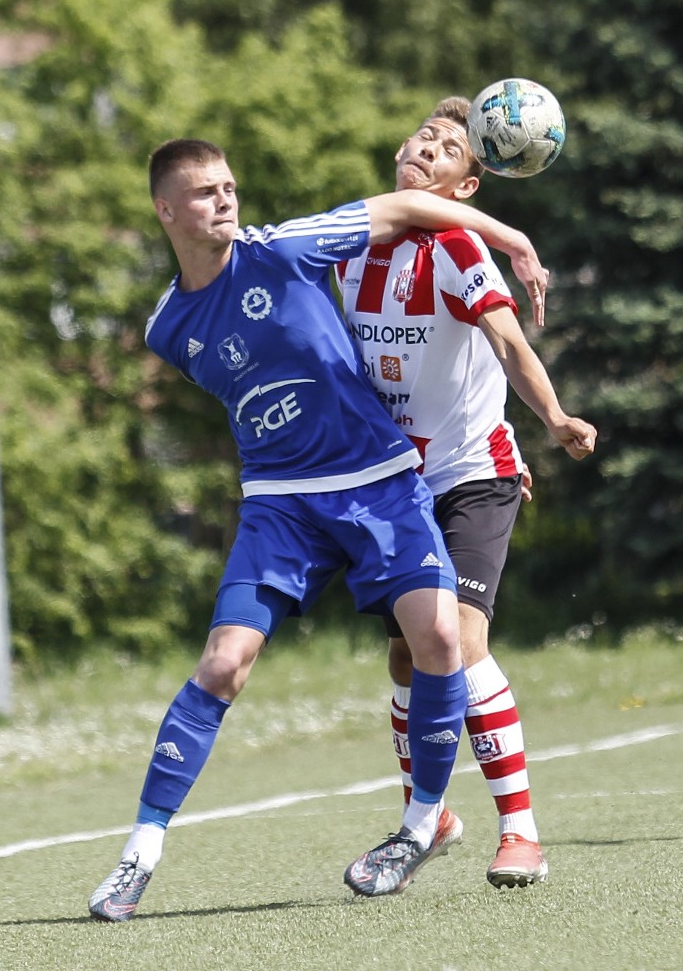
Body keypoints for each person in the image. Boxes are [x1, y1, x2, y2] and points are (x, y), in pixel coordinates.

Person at [88, 137, 551, 920]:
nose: (226, 200)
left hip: (380, 486)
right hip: (281, 504)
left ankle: (418, 826)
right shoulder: (166, 326)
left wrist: (510, 236)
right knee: (224, 663)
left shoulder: (286, 246)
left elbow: (406, 209)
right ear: (166, 210)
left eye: (230, 185)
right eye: (205, 192)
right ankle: (140, 852)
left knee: (440, 639)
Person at [337, 98, 597, 891]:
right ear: (399, 150)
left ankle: (520, 832)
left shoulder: (455, 249)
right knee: (405, 657)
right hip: (393, 484)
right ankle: (434, 814)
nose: (429, 146)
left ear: (468, 185)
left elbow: (510, 343)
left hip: (475, 474)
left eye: (450, 147)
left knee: (462, 642)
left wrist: (553, 416)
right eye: (425, 135)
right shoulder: (345, 245)